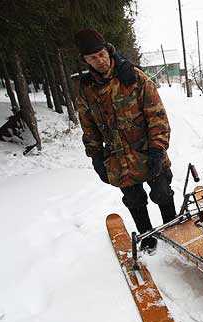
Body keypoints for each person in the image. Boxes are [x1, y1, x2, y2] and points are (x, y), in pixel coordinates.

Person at [75, 28, 176, 253]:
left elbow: (157, 116)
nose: (99, 60)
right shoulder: (86, 89)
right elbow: (88, 126)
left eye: (101, 54)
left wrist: (158, 150)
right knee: (134, 200)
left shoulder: (134, 77)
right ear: (85, 60)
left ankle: (173, 230)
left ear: (107, 50)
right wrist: (95, 157)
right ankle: (148, 237)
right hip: (117, 159)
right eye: (92, 58)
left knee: (162, 192)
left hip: (147, 151)